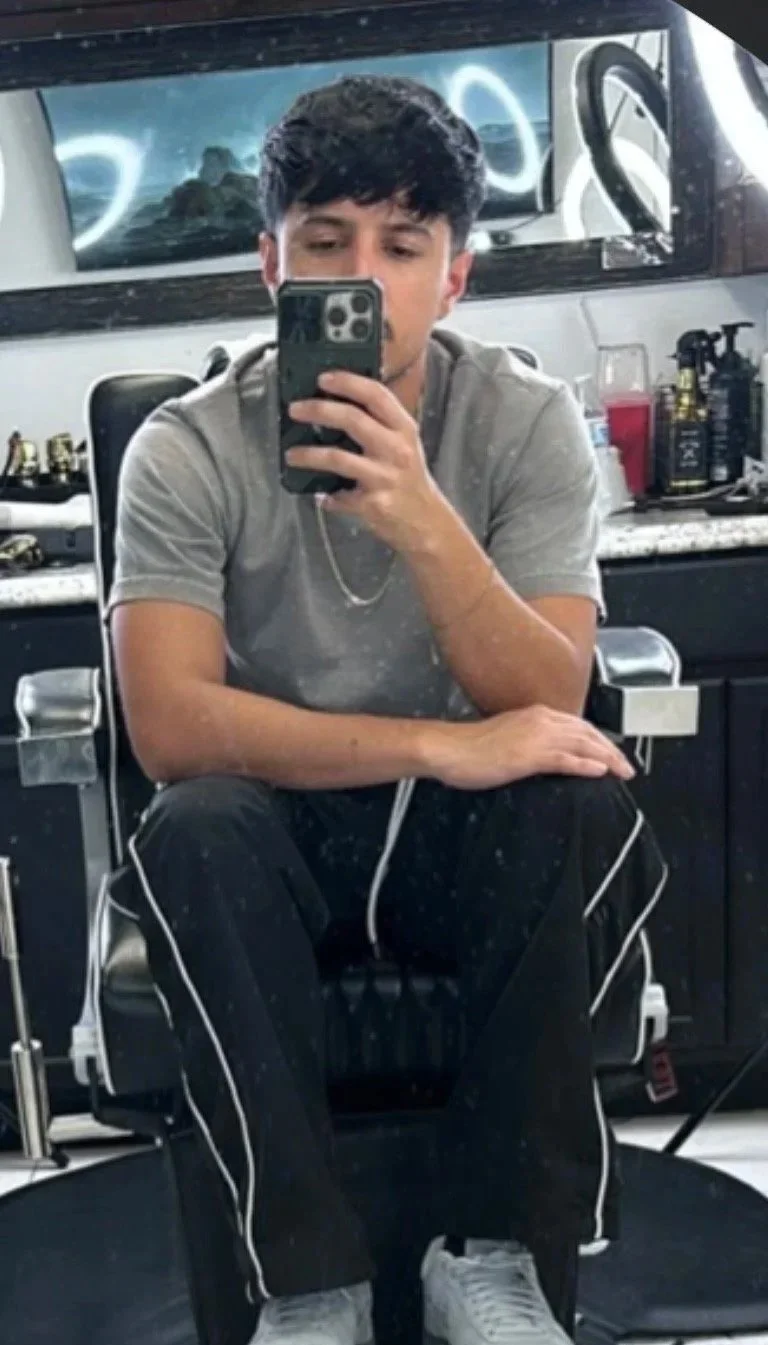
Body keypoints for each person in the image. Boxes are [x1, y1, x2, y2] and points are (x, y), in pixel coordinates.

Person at [107, 74, 666, 1345]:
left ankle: (492, 1257)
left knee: (573, 797)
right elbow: (172, 730)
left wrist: (422, 519)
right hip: (277, 831)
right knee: (188, 826)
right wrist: (441, 742)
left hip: (462, 844)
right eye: (325, 242)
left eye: (402, 246)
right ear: (269, 263)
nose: (364, 273)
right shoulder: (186, 449)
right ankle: (309, 1284)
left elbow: (548, 692)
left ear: (455, 277)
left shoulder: (523, 424)